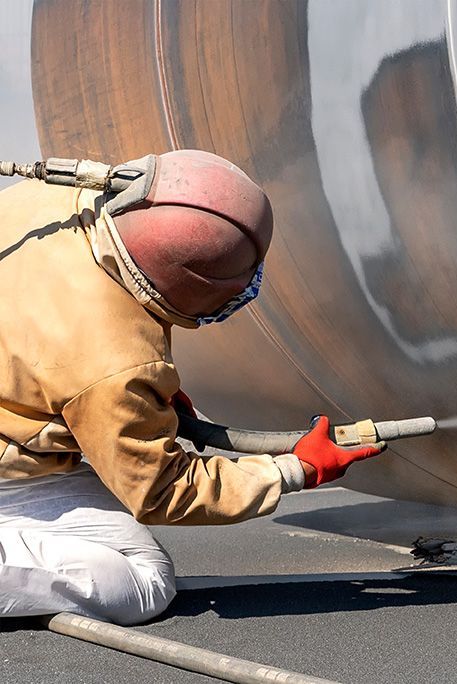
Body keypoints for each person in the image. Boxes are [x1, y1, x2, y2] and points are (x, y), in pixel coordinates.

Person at [0, 150, 385, 625]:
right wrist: (293, 470)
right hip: (11, 477)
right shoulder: (114, 362)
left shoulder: (50, 198)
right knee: (143, 582)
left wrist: (137, 406)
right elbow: (160, 490)